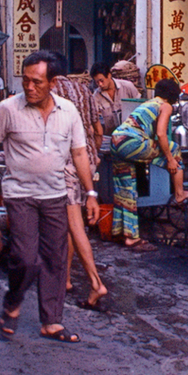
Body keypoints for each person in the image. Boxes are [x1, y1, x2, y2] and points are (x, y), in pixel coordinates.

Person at [0, 50, 100, 344]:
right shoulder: (8, 109)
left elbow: (80, 153)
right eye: (25, 80)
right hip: (20, 195)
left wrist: (91, 193)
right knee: (24, 258)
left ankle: (52, 322)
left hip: (56, 195)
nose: (29, 87)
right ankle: (13, 301)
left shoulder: (68, 111)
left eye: (37, 82)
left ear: (53, 82)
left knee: (56, 260)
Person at [110, 78, 188, 251]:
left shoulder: (149, 103)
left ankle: (125, 235)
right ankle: (180, 193)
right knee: (174, 148)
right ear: (173, 95)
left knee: (125, 188)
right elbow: (161, 134)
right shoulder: (165, 105)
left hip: (117, 141)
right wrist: (169, 159)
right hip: (132, 141)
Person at [49, 68, 109, 312]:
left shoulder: (52, 93)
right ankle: (67, 279)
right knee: (73, 222)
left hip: (66, 162)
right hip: (86, 159)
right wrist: (93, 158)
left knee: (71, 224)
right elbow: (98, 130)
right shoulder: (85, 91)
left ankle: (76, 280)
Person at [90, 61, 141, 139]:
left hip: (132, 136)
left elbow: (141, 108)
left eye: (102, 80)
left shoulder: (128, 87)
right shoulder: (96, 96)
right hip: (111, 137)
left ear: (109, 75)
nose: (100, 84)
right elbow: (94, 119)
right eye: (97, 82)